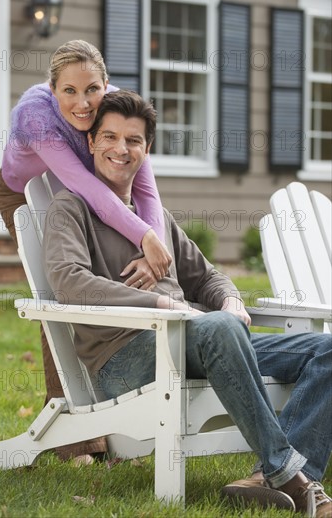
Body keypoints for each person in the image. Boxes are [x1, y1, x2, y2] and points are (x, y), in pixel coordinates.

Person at [43, 89, 332, 517]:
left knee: (324, 349)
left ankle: (269, 477)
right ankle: (289, 475)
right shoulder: (69, 209)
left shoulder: (153, 217)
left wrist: (231, 300)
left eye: (134, 140)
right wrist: (161, 306)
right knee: (217, 327)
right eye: (109, 137)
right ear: (91, 142)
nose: (121, 149)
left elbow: (208, 276)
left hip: (198, 342)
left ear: (147, 148)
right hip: (129, 356)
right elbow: (69, 282)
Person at [0, 40, 171, 461]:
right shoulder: (35, 116)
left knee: (105, 280)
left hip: (81, 192)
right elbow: (87, 187)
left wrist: (155, 249)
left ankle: (111, 402)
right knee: (59, 291)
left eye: (92, 89)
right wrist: (142, 236)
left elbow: (146, 190)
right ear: (51, 90)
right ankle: (75, 436)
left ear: (105, 84)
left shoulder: (116, 110)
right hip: (28, 196)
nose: (83, 102)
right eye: (69, 92)